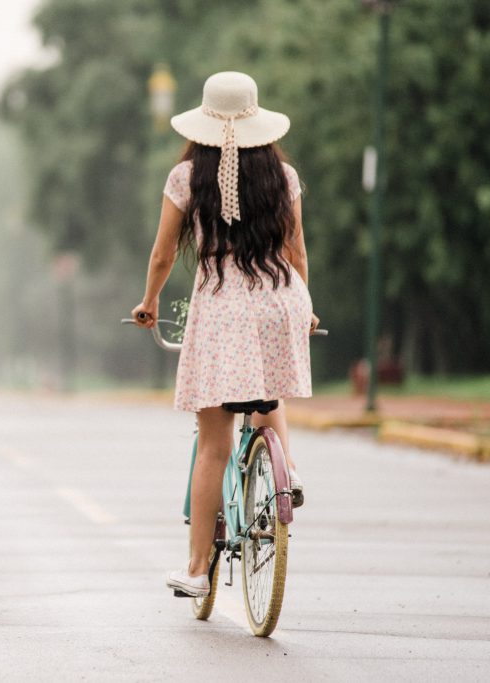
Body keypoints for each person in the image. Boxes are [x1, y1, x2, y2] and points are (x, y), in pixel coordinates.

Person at [130, 71, 318, 598]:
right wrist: (305, 308)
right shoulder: (284, 176)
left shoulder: (186, 178)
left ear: (204, 124)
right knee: (267, 391)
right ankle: (290, 473)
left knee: (213, 444)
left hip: (222, 309)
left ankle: (195, 571)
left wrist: (149, 303)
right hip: (280, 300)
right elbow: (297, 253)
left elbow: (164, 253)